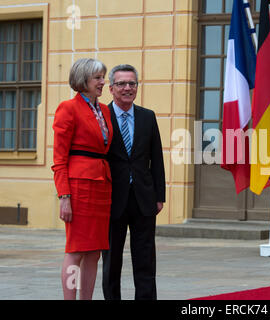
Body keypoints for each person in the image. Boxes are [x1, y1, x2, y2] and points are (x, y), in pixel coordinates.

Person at [102, 64, 165, 300]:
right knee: (111, 261)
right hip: (112, 199)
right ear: (111, 88)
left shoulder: (148, 116)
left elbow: (156, 158)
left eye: (132, 83)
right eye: (121, 84)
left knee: (145, 258)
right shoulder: (102, 116)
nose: (127, 88)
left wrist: (160, 196)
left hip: (144, 198)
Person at [52, 58, 113, 300]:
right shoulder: (68, 108)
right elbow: (59, 158)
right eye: (97, 78)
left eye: (102, 77)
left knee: (94, 252)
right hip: (78, 188)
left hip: (101, 187)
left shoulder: (105, 110)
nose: (102, 82)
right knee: (76, 250)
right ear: (83, 80)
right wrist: (64, 196)